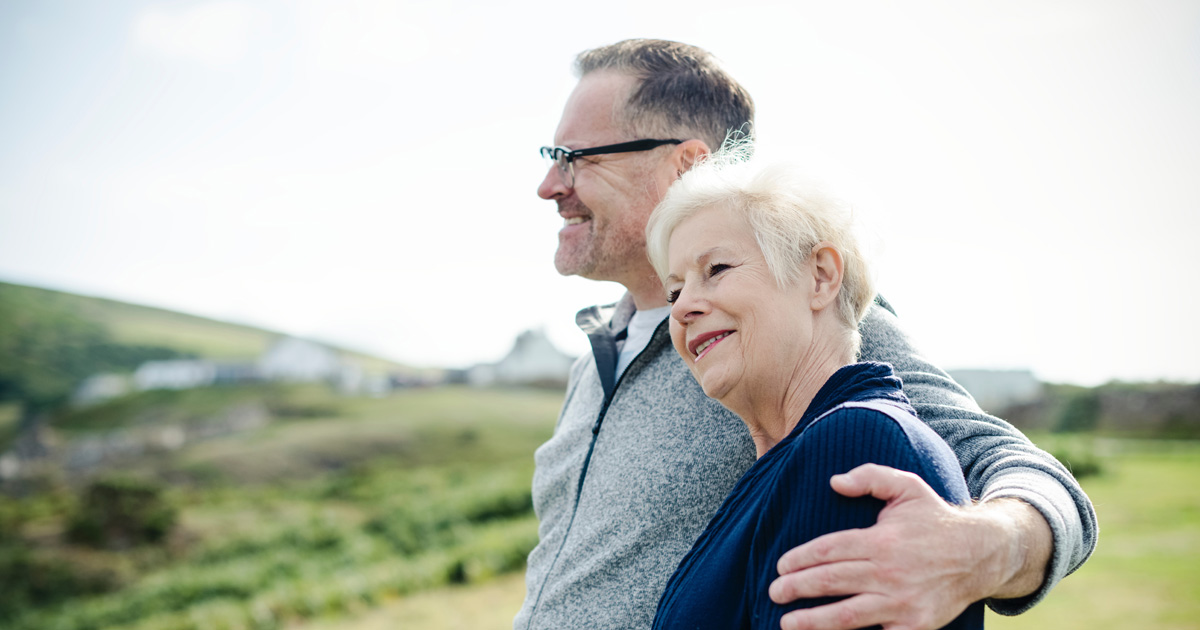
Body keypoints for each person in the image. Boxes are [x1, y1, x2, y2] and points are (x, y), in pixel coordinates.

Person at [515, 39, 1096, 630]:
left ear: (688, 164)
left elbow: (1012, 466)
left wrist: (983, 549)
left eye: (575, 157)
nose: (549, 185)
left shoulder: (798, 322)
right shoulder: (595, 355)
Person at [646, 150, 985, 629]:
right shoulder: (789, 462)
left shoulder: (852, 445)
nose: (682, 310)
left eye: (717, 269)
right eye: (674, 291)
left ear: (821, 277)